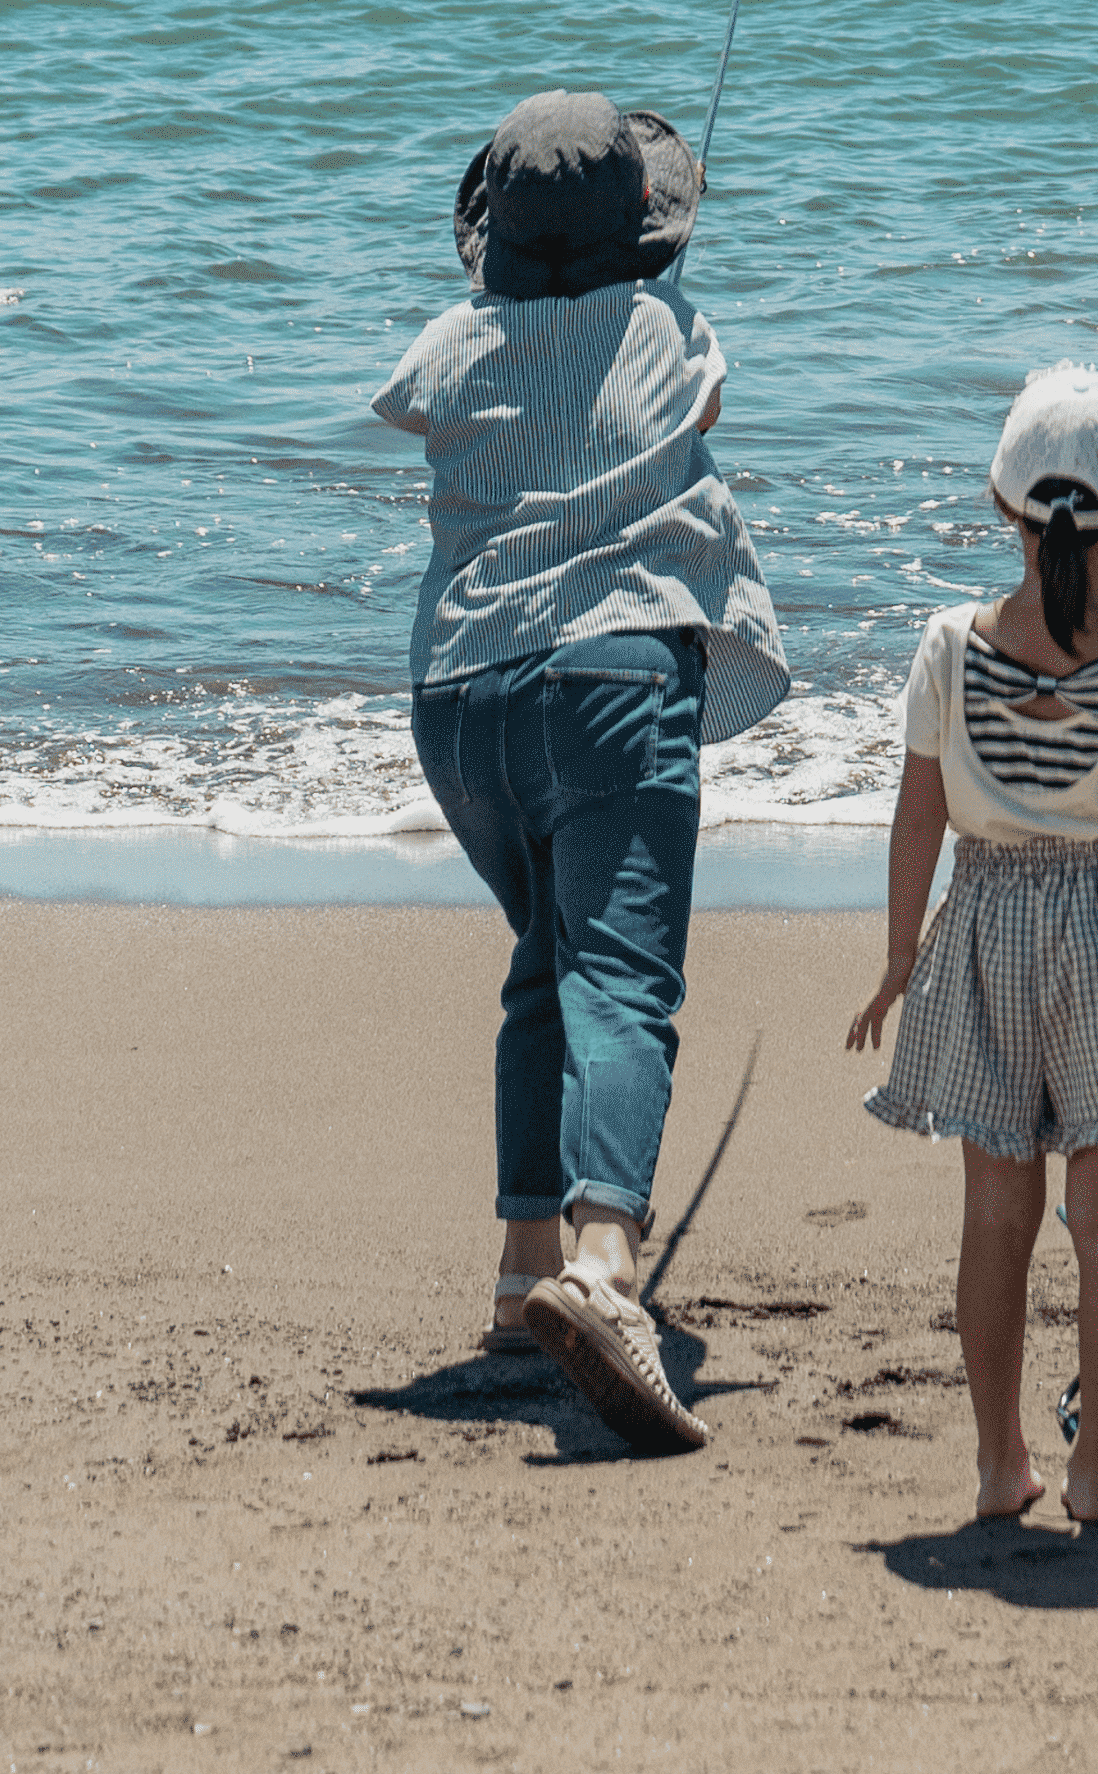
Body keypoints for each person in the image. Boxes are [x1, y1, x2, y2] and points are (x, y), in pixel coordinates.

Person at [370, 87, 789, 1458]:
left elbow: (438, 390)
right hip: (605, 680)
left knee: (547, 961)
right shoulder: (672, 330)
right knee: (622, 976)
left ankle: (517, 1274)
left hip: (460, 701)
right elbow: (695, 380)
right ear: (641, 233)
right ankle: (605, 1266)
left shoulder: (449, 343)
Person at [843, 366, 1098, 1530]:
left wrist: (902, 954)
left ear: (1004, 508)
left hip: (984, 930)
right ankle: (1095, 1464)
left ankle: (997, 1457)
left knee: (993, 1219)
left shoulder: (945, 649)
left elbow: (917, 815)